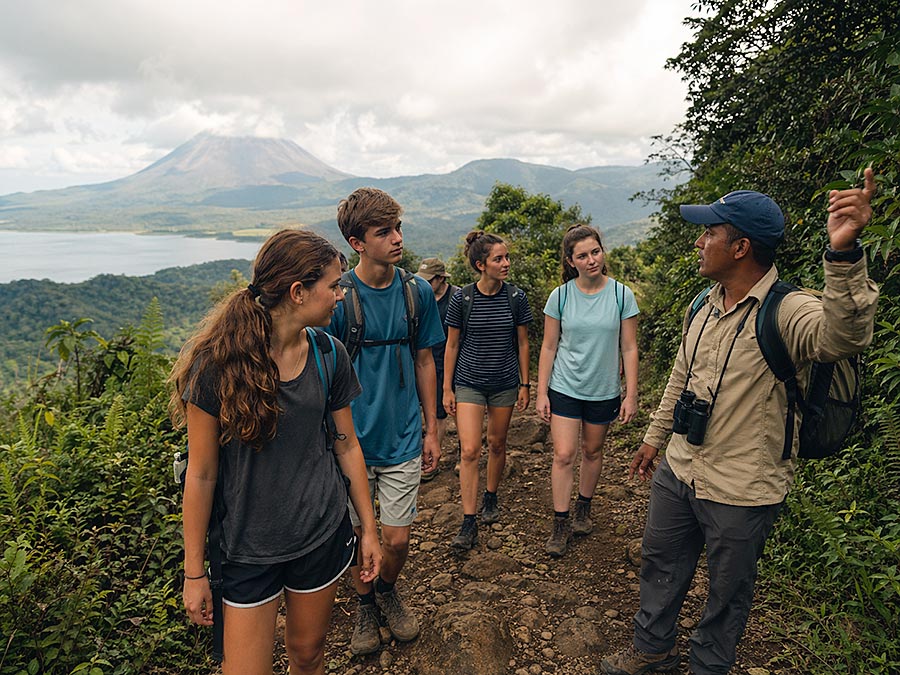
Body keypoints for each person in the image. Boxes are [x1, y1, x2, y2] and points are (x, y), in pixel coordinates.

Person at [600, 170, 880, 675]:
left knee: (728, 594)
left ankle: (709, 667)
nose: (699, 241)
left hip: (743, 487)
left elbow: (843, 338)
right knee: (660, 565)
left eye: (711, 233)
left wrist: (843, 256)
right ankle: (652, 650)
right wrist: (654, 439)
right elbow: (682, 377)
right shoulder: (701, 306)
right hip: (680, 468)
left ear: (740, 247)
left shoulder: (789, 310)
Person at [170, 229, 381, 675]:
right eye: (333, 285)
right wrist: (194, 572)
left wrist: (368, 528)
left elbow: (347, 446)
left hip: (319, 533)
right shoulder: (216, 367)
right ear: (298, 292)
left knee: (308, 655)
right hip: (246, 548)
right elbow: (202, 474)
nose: (341, 295)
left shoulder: (328, 354)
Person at [327, 187, 445, 655]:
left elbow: (424, 360)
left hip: (402, 436)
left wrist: (432, 427)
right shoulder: (340, 299)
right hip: (351, 440)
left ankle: (385, 590)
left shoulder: (416, 293)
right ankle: (364, 605)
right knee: (360, 533)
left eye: (398, 228)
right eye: (384, 232)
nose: (397, 239)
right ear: (358, 243)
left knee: (395, 538)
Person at [536, 224, 639, 558]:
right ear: (571, 261)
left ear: (602, 252)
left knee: (592, 451)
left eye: (595, 251)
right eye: (582, 255)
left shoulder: (622, 295)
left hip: (603, 388)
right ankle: (561, 521)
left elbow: (629, 347)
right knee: (564, 454)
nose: (591, 259)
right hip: (565, 386)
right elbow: (549, 347)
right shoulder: (561, 296)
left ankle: (584, 506)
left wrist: (631, 394)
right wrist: (541, 392)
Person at [443, 230, 533, 550]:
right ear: (482, 265)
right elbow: (452, 345)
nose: (506, 263)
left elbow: (523, 342)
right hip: (469, 381)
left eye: (506, 257)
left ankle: (491, 496)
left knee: (497, 443)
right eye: (499, 259)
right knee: (469, 450)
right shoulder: (462, 298)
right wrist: (447, 388)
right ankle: (468, 522)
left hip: (504, 382)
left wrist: (525, 384)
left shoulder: (516, 298)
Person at [416, 257, 460, 482]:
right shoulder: (422, 298)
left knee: (454, 411)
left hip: (452, 363)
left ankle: (456, 453)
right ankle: (429, 454)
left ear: (441, 279)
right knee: (431, 410)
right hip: (426, 361)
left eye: (429, 280)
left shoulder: (456, 298)